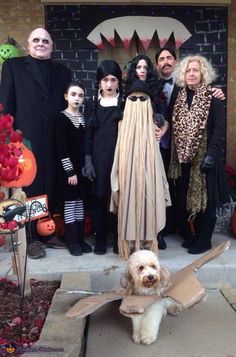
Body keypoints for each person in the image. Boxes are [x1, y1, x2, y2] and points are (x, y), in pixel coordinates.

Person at [0, 28, 72, 258]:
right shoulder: (13, 67)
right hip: (25, 140)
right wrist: (8, 139)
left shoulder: (63, 72)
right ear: (29, 44)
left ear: (52, 46)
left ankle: (48, 231)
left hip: (55, 138)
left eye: (45, 41)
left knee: (51, 183)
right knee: (30, 187)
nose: (41, 44)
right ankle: (31, 237)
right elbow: (5, 103)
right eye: (36, 40)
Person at [155, 46, 226, 250]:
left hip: (206, 157)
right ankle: (195, 235)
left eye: (196, 70)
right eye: (188, 70)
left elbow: (219, 129)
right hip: (185, 156)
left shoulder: (212, 97)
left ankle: (204, 240)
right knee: (188, 198)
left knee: (207, 202)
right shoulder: (179, 97)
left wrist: (211, 155)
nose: (192, 74)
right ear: (183, 74)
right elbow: (168, 119)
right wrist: (160, 127)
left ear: (203, 73)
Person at [110, 78, 171, 260]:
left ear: (149, 103)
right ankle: (128, 243)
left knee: (149, 202)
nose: (138, 102)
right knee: (128, 201)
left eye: (143, 99)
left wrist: (161, 182)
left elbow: (165, 128)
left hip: (149, 172)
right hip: (127, 172)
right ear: (127, 102)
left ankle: (147, 243)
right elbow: (117, 154)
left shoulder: (154, 125)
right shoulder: (122, 124)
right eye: (133, 99)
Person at [82, 60, 123, 255]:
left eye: (113, 79)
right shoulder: (91, 103)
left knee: (118, 199)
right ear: (99, 81)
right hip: (99, 158)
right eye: (105, 79)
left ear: (118, 82)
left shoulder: (124, 102)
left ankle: (117, 239)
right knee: (100, 199)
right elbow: (88, 134)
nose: (109, 84)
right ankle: (100, 239)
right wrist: (88, 160)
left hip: (119, 158)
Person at [56, 82, 92, 256]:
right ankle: (72, 241)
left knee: (80, 203)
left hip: (82, 169)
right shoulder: (61, 118)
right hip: (69, 170)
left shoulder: (85, 119)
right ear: (66, 96)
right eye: (73, 94)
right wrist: (70, 172)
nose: (77, 98)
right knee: (70, 203)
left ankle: (80, 239)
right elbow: (61, 149)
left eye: (80, 95)